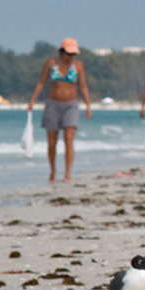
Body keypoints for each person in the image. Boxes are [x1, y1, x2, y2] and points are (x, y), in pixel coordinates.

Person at [25, 38, 90, 182]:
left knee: (69, 139)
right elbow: (41, 82)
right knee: (52, 142)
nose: (71, 56)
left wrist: (88, 105)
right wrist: (32, 101)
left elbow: (83, 85)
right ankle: (53, 171)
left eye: (73, 53)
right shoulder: (51, 64)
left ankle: (68, 173)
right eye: (69, 53)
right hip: (52, 104)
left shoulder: (78, 66)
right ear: (62, 51)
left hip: (71, 105)